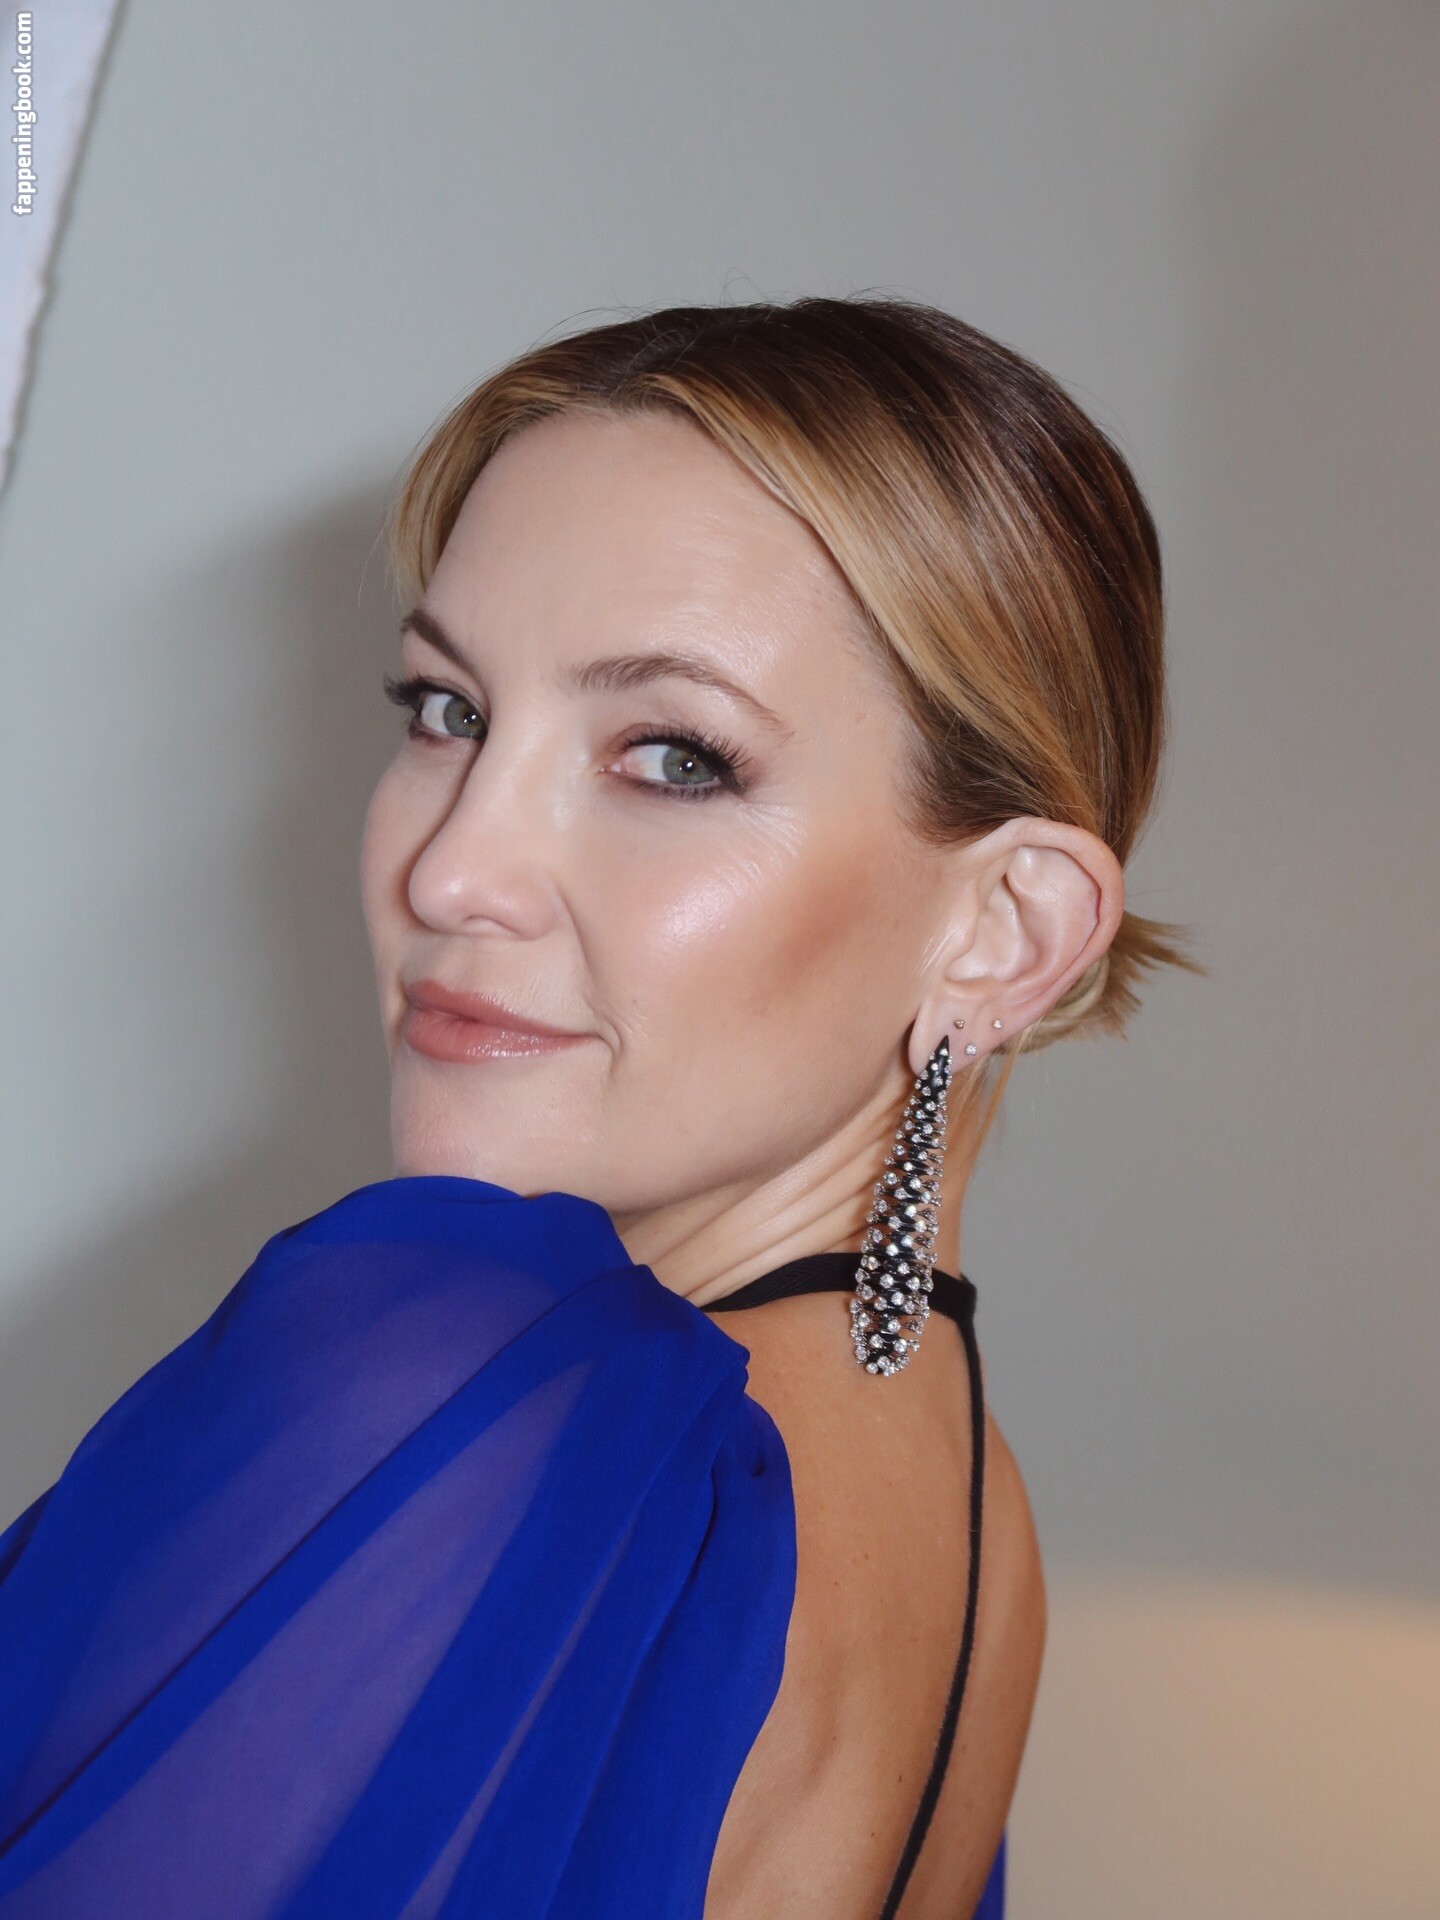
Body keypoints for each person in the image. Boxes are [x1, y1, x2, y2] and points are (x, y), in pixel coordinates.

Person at [0, 296, 1198, 1918]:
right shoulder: (979, 1538)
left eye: (673, 758)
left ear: (1005, 931)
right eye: (448, 711)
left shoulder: (472, 1395)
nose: (452, 870)